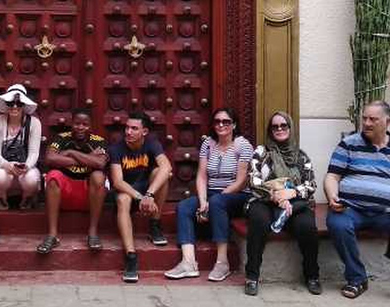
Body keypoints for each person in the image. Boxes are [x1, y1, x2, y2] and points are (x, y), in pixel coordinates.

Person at [325, 100, 390, 307]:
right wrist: (332, 197)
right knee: (337, 223)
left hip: (388, 213)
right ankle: (357, 279)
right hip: (352, 208)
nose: (367, 123)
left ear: (387, 122)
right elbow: (332, 176)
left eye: (373, 119)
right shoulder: (349, 144)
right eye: (364, 118)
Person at [165, 107, 252, 282]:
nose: (221, 125)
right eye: (217, 121)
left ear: (234, 124)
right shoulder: (208, 144)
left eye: (226, 122)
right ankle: (188, 262)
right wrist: (203, 201)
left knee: (219, 201)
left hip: (237, 195)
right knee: (184, 207)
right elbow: (202, 176)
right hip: (213, 194)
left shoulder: (243, 145)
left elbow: (241, 181)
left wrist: (212, 202)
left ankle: (222, 262)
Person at [243, 111, 320, 296]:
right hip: (264, 200)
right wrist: (276, 195)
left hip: (295, 204)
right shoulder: (261, 152)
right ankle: (252, 276)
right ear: (270, 130)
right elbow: (253, 181)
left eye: (283, 125)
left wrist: (292, 193)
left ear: (290, 128)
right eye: (275, 126)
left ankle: (312, 275)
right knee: (259, 221)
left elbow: (311, 184)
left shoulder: (301, 156)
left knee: (307, 226)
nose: (279, 129)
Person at [109, 111, 172, 283]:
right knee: (122, 198)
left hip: (147, 191)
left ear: (144, 131)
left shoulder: (152, 144)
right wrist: (140, 197)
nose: (128, 132)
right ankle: (131, 256)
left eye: (134, 129)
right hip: (128, 194)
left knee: (162, 173)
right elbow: (117, 182)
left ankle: (154, 224)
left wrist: (149, 194)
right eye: (127, 128)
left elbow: (166, 166)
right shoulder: (116, 149)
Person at [36, 108, 108, 254]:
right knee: (54, 175)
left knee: (99, 176)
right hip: (65, 192)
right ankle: (52, 235)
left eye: (85, 124)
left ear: (91, 126)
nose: (80, 127)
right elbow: (50, 159)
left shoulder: (98, 141)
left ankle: (93, 233)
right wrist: (88, 159)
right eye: (77, 123)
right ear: (71, 123)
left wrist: (70, 153)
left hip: (88, 193)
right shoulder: (61, 138)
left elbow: (100, 164)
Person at [0, 84, 42, 209]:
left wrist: (26, 166)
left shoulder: (34, 123)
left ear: (24, 105)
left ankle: (27, 198)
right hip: (3, 166)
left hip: (25, 166)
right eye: (11, 103)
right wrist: (6, 165)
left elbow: (34, 152)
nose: (15, 107)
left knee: (32, 179)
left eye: (19, 103)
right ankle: (1, 198)